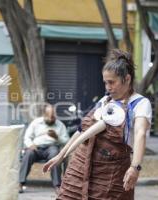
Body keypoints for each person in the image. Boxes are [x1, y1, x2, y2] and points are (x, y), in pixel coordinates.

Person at [42, 49, 152, 200]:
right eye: (105, 82)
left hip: (111, 172)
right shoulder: (104, 101)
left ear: (127, 79)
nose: (107, 87)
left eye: (111, 82)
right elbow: (82, 130)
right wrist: (60, 156)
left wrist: (135, 167)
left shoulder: (140, 104)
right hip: (80, 166)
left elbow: (140, 134)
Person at [19, 104, 69, 196]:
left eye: (53, 117)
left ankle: (57, 185)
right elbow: (27, 137)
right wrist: (30, 145)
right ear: (44, 115)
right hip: (36, 148)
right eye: (49, 117)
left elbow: (66, 140)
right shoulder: (36, 123)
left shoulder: (59, 124)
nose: (51, 119)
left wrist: (57, 137)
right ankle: (20, 183)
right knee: (28, 154)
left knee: (55, 155)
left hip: (52, 147)